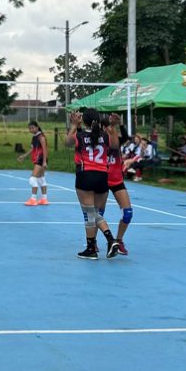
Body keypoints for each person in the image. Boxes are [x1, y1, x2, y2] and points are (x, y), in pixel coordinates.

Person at [66, 109, 120, 260]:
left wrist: (74, 125)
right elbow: (115, 146)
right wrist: (113, 127)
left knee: (90, 213)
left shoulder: (80, 135)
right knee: (94, 214)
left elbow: (67, 142)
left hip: (85, 174)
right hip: (103, 176)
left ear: (84, 121)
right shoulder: (105, 135)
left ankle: (110, 239)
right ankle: (91, 248)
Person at [99, 115, 133, 256]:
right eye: (107, 126)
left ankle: (119, 241)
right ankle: (93, 243)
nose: (110, 129)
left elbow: (126, 137)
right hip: (102, 180)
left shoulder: (116, 139)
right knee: (98, 215)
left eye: (111, 126)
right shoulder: (99, 141)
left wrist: (120, 124)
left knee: (128, 213)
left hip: (117, 180)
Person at [17, 120, 49, 206]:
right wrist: (24, 156)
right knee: (41, 179)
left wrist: (44, 162)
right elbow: (32, 149)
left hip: (41, 159)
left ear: (37, 127)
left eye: (32, 128)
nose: (31, 130)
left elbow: (45, 149)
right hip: (37, 159)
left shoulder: (41, 137)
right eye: (29, 128)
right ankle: (44, 199)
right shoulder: (34, 137)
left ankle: (33, 199)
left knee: (32, 179)